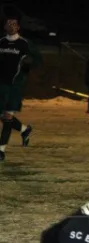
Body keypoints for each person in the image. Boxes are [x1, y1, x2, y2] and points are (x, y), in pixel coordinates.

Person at [0, 15, 42, 162]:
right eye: (8, 23)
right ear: (5, 27)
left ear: (18, 27)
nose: (11, 26)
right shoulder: (1, 42)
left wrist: (28, 65)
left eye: (14, 24)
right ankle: (25, 130)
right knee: (3, 115)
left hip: (14, 86)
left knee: (7, 118)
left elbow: (38, 59)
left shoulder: (25, 43)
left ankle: (1, 150)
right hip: (1, 85)